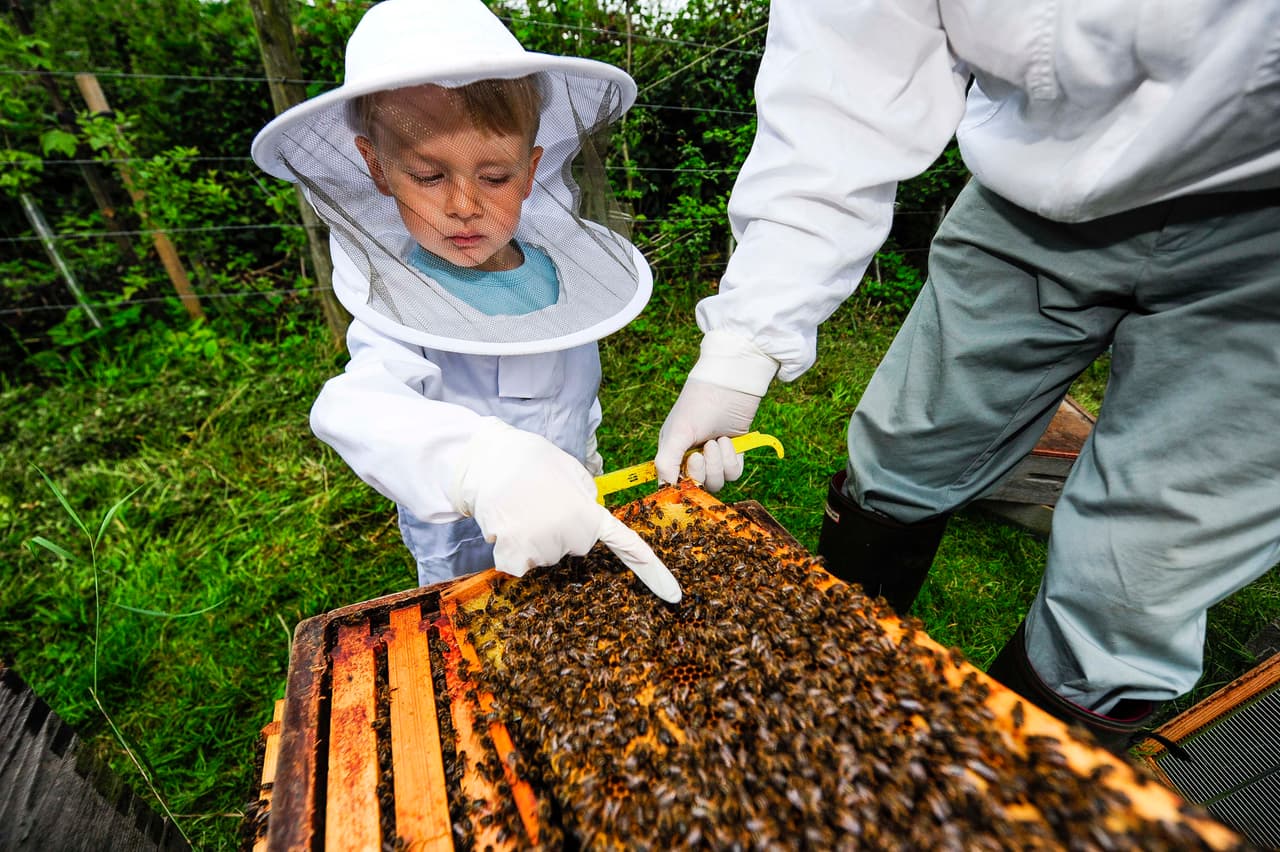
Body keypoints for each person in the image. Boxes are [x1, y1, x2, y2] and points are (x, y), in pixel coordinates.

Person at [655, 0, 1280, 750]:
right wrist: (742, 350)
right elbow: (847, 77)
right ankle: (839, 686)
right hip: (1033, 189)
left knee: (1136, 585)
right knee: (902, 456)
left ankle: (994, 797)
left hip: (1264, 239)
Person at [251, 0, 738, 603]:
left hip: (571, 519)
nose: (463, 206)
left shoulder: (565, 282)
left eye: (495, 177)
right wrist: (474, 466)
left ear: (532, 170)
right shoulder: (401, 300)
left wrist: (594, 466)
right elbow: (352, 407)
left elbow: (575, 394)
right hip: (460, 546)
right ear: (377, 168)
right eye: (429, 177)